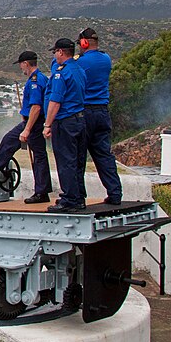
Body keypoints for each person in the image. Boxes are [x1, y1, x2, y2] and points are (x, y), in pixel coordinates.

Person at [0, 51, 52, 203]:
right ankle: (42, 191)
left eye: (21, 65)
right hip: (33, 122)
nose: (21, 69)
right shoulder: (40, 78)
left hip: (33, 123)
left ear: (25, 63)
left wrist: (27, 129)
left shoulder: (35, 81)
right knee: (38, 155)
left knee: (13, 142)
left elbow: (36, 107)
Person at [75, 28, 123, 205]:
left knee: (79, 156)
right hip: (103, 111)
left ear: (84, 42)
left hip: (85, 111)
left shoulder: (80, 62)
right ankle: (115, 193)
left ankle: (79, 197)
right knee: (104, 156)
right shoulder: (106, 59)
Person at [43, 38, 87, 213]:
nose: (55, 55)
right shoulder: (79, 69)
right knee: (78, 161)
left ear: (61, 52)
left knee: (66, 161)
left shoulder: (61, 73)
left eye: (55, 52)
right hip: (80, 119)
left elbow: (55, 101)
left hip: (65, 121)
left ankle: (69, 199)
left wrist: (47, 124)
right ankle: (78, 196)